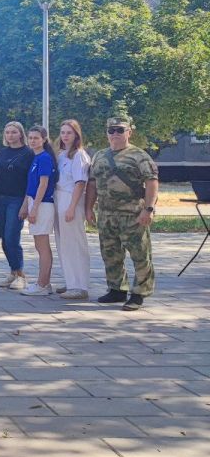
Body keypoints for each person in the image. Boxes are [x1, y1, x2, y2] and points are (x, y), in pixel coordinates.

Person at [86, 114, 159, 311]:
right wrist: (88, 208)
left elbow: (151, 182)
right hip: (107, 214)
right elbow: (92, 184)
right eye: (112, 130)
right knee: (110, 254)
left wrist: (149, 209)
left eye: (120, 130)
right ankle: (117, 289)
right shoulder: (99, 156)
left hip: (133, 214)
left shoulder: (139, 155)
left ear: (129, 132)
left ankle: (139, 293)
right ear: (107, 133)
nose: (115, 134)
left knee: (140, 254)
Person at [55, 120, 92, 300]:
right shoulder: (62, 155)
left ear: (76, 135)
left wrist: (71, 207)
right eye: (62, 132)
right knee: (63, 244)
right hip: (59, 197)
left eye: (69, 132)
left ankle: (80, 284)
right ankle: (70, 281)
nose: (65, 136)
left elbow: (80, 183)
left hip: (71, 199)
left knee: (75, 244)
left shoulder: (79, 155)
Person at [0, 122, 33, 291]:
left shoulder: (28, 153)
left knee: (11, 237)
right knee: (4, 238)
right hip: (0, 199)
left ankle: (20, 275)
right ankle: (13, 271)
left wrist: (26, 204)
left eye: (14, 132)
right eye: (7, 132)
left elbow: (31, 181)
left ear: (20, 134)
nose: (10, 135)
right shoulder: (1, 153)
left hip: (17, 199)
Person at [19, 125, 56, 296]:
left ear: (44, 139)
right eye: (31, 137)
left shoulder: (44, 158)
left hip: (43, 204)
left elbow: (43, 184)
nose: (33, 140)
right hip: (35, 202)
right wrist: (26, 206)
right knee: (39, 245)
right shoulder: (36, 158)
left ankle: (43, 284)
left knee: (43, 246)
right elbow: (31, 186)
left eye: (36, 138)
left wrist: (34, 208)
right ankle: (43, 282)